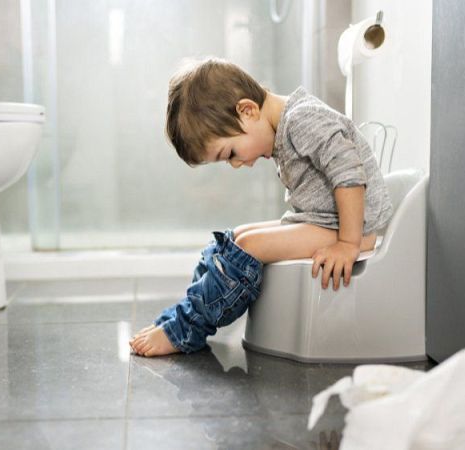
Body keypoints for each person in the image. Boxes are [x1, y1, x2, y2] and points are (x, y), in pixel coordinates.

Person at [129, 57, 393, 357]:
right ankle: (184, 315)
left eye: (230, 153)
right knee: (234, 238)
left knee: (248, 246)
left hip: (354, 228)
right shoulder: (290, 122)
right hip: (326, 222)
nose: (236, 164)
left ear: (247, 110)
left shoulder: (302, 119)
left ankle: (185, 329)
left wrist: (348, 243)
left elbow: (348, 171)